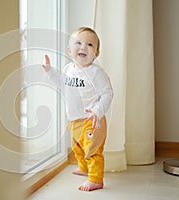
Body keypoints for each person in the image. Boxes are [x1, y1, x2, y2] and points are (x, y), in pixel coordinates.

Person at [41, 27, 113, 191]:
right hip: (74, 120)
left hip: (92, 120)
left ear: (96, 53)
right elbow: (61, 84)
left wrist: (97, 111)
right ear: (69, 50)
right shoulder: (68, 69)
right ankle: (84, 168)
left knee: (92, 149)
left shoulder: (96, 73)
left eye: (89, 44)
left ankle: (95, 179)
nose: (83, 47)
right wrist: (49, 71)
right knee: (78, 148)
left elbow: (107, 93)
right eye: (78, 43)